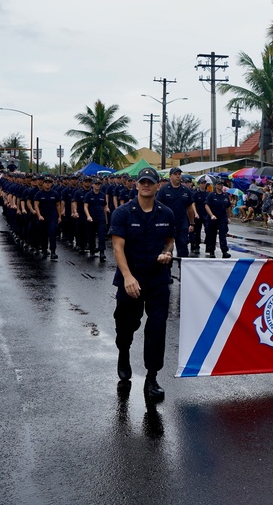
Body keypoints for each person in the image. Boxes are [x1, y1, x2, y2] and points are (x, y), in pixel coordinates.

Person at [109, 167, 175, 403]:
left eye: (151, 182)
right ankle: (124, 353)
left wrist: (167, 253)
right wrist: (127, 277)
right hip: (131, 279)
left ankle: (152, 377)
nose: (146, 185)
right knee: (126, 325)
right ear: (136, 185)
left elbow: (169, 242)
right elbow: (117, 248)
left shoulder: (166, 213)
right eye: (142, 182)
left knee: (157, 328)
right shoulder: (123, 213)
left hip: (157, 279)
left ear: (158, 186)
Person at [156, 167, 195, 258]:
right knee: (167, 249)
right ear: (170, 176)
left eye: (179, 174)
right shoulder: (164, 190)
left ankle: (183, 269)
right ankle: (167, 269)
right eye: (175, 174)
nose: (178, 176)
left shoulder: (186, 190)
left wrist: (192, 223)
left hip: (182, 224)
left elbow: (189, 208)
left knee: (183, 248)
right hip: (167, 224)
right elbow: (157, 206)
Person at [33, 176, 62, 260]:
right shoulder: (39, 194)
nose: (47, 184)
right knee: (44, 235)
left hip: (52, 217)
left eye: (49, 182)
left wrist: (59, 216)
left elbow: (58, 205)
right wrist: (39, 215)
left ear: (51, 184)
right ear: (43, 183)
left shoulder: (55, 194)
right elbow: (36, 205)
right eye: (46, 182)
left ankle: (53, 252)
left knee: (52, 233)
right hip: (43, 217)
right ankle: (44, 251)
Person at [204, 179, 233, 258]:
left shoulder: (225, 195)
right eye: (219, 184)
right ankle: (211, 251)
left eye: (221, 184)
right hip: (213, 218)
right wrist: (211, 215)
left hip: (222, 217)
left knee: (223, 235)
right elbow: (207, 205)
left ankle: (224, 251)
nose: (221, 186)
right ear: (215, 185)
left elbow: (228, 207)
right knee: (212, 235)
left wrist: (228, 217)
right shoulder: (211, 195)